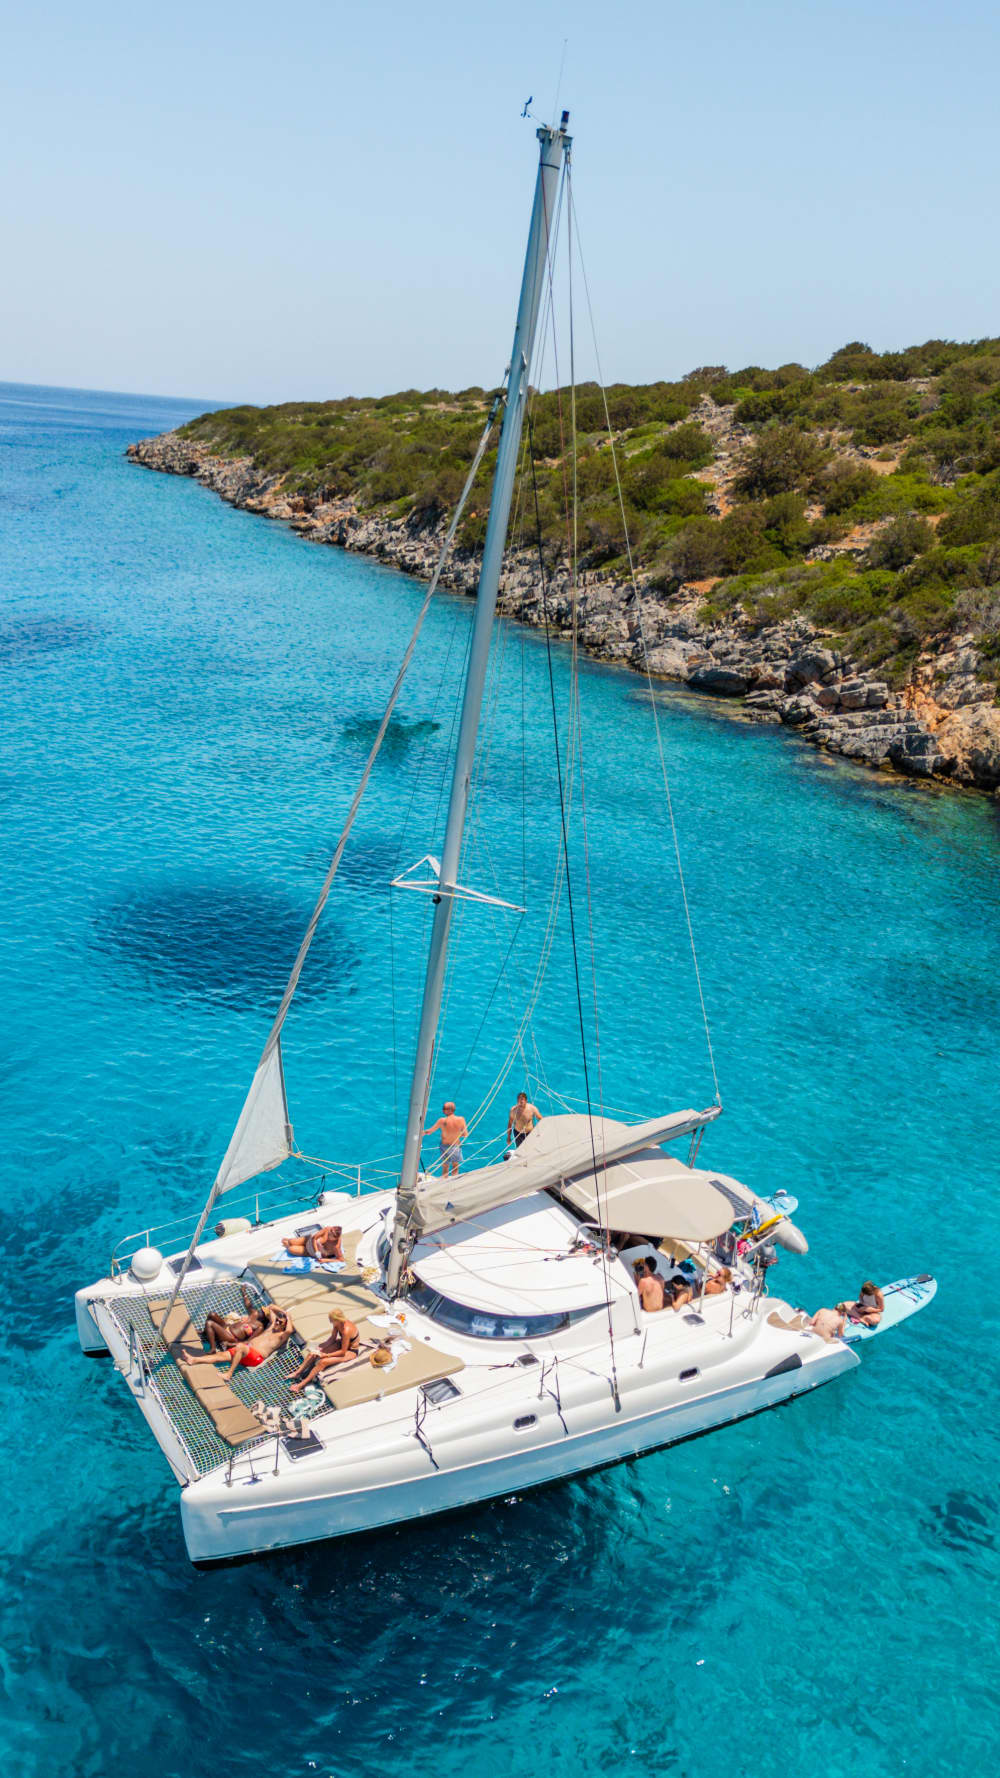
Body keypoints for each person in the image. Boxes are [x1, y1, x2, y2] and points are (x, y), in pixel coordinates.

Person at [181, 1304, 294, 1377]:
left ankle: (229, 1374)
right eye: (277, 1320)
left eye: (280, 1322)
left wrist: (288, 1317)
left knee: (240, 1347)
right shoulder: (271, 1326)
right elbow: (271, 1307)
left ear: (284, 1325)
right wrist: (284, 1312)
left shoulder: (282, 1335)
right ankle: (194, 1360)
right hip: (245, 1353)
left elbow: (290, 1330)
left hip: (255, 1356)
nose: (277, 1322)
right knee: (220, 1355)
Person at [288, 1313, 360, 1393]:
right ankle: (297, 1373)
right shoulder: (337, 1324)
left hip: (350, 1351)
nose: (331, 1322)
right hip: (341, 1344)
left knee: (323, 1362)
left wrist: (326, 1355)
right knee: (313, 1353)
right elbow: (332, 1339)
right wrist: (320, 1348)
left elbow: (343, 1352)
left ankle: (301, 1385)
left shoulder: (346, 1330)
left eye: (332, 1321)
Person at [202, 1286, 266, 1352]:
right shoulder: (254, 1314)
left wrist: (231, 1344)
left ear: (265, 1317)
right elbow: (248, 1305)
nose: (261, 1311)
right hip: (226, 1327)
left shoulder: (259, 1327)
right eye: (262, 1310)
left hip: (231, 1337)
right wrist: (244, 1292)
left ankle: (213, 1348)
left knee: (209, 1323)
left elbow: (248, 1341)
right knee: (212, 1314)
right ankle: (205, 1332)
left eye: (263, 1312)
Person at [425, 1102, 468, 1178]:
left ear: (450, 1110)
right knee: (455, 1166)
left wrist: (420, 1133)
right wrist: (455, 1135)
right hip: (455, 1146)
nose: (443, 1110)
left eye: (444, 1108)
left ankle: (444, 1182)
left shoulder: (442, 1120)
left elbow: (429, 1131)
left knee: (445, 1167)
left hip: (444, 1146)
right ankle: (454, 1181)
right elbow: (465, 1134)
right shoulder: (461, 1119)